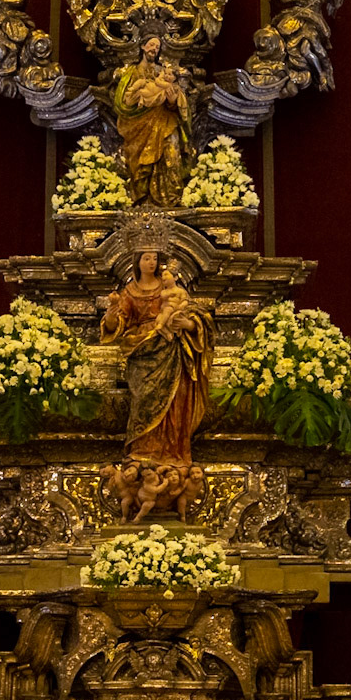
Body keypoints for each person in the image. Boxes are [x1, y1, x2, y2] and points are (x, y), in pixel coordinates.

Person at [100, 247, 214, 468]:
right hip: (142, 353)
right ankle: (142, 450)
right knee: (143, 401)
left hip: (171, 349)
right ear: (137, 262)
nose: (151, 262)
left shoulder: (169, 287)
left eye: (154, 258)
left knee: (175, 401)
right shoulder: (130, 292)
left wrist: (188, 324)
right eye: (146, 258)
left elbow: (195, 314)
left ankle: (173, 451)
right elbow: (119, 325)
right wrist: (112, 315)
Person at [112, 36, 192, 205]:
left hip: (166, 123)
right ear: (142, 46)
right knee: (140, 166)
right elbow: (122, 103)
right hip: (138, 128)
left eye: (157, 46)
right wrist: (139, 100)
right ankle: (142, 198)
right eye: (151, 45)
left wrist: (171, 102)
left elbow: (179, 100)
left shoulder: (165, 73)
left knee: (171, 157)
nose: (154, 49)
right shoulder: (131, 73)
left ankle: (170, 198)